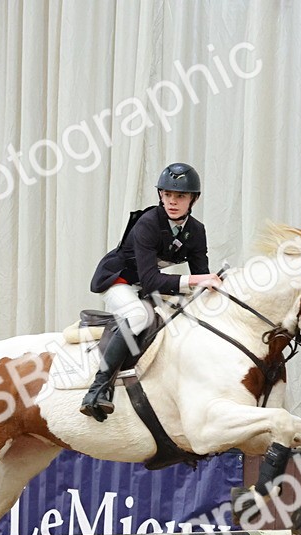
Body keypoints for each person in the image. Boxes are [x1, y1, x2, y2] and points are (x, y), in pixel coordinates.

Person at [80, 162, 222, 421]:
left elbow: (201, 277)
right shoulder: (147, 222)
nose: (172, 201)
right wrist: (197, 280)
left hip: (151, 286)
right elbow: (150, 280)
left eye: (180, 196)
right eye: (167, 194)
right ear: (160, 195)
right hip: (121, 281)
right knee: (138, 317)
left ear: (194, 199)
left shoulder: (196, 230)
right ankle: (98, 388)